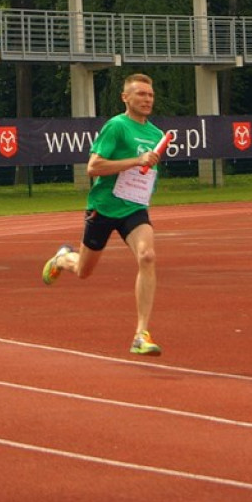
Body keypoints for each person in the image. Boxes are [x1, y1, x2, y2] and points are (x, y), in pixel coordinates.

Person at [41, 73, 166, 356]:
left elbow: (148, 173)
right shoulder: (116, 126)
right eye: (141, 94)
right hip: (104, 207)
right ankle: (63, 257)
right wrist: (137, 160)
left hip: (134, 209)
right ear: (126, 98)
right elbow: (93, 167)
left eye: (150, 95)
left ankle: (140, 334)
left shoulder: (157, 135)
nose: (147, 99)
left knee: (147, 256)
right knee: (84, 271)